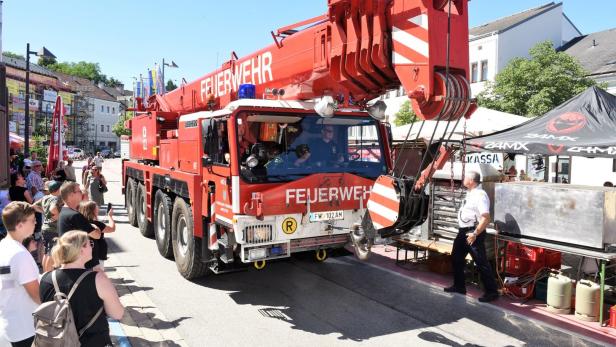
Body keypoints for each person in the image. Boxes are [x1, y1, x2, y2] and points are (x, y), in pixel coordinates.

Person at [39, 230, 124, 346]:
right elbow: (117, 314)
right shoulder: (98, 279)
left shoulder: (45, 279)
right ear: (81, 250)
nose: (92, 247)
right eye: (90, 243)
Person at [444, 171, 499, 303]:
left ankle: (492, 292)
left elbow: (486, 218)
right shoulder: (471, 193)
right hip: (463, 232)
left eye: (466, 177)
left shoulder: (480, 195)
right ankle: (459, 286)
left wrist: (475, 233)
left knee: (481, 263)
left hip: (473, 233)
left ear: (472, 181)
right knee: (456, 258)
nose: (463, 179)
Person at [0, 201, 41, 347]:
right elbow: (36, 295)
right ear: (19, 225)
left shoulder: (3, 246)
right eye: (32, 220)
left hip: (9, 326)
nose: (36, 222)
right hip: (26, 329)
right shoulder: (20, 255)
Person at [57, 182, 102, 270]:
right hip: (80, 263)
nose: (81, 193)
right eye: (79, 191)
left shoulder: (65, 210)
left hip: (72, 260)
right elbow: (97, 235)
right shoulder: (75, 216)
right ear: (71, 195)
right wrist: (94, 226)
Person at [34, 180, 63, 272]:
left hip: (45, 228)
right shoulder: (56, 198)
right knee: (51, 253)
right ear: (58, 189)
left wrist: (45, 213)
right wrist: (59, 216)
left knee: (47, 252)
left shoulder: (46, 197)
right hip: (53, 229)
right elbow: (53, 209)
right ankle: (48, 274)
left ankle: (45, 273)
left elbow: (33, 206)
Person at [79, 201, 115, 270]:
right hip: (98, 254)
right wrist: (110, 216)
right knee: (98, 274)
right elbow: (112, 228)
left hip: (85, 254)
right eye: (96, 208)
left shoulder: (81, 223)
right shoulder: (97, 224)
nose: (98, 209)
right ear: (92, 211)